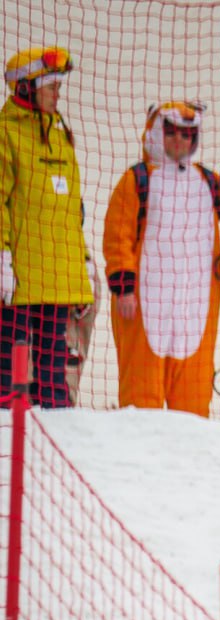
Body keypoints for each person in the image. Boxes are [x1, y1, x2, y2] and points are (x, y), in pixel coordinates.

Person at [103, 101, 220, 416]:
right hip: (144, 306)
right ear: (157, 134)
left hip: (194, 308)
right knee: (141, 401)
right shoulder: (136, 180)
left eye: (187, 135)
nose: (180, 141)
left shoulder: (209, 183)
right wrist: (124, 288)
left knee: (194, 407)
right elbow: (118, 238)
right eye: (172, 134)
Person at [0, 46, 96, 406]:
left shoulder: (61, 136)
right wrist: (2, 258)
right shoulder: (5, 133)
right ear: (26, 88)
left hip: (57, 275)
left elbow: (71, 209)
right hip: (21, 277)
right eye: (51, 87)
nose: (58, 94)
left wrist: (82, 262)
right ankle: (8, 434)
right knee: (10, 364)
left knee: (54, 366)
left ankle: (56, 430)